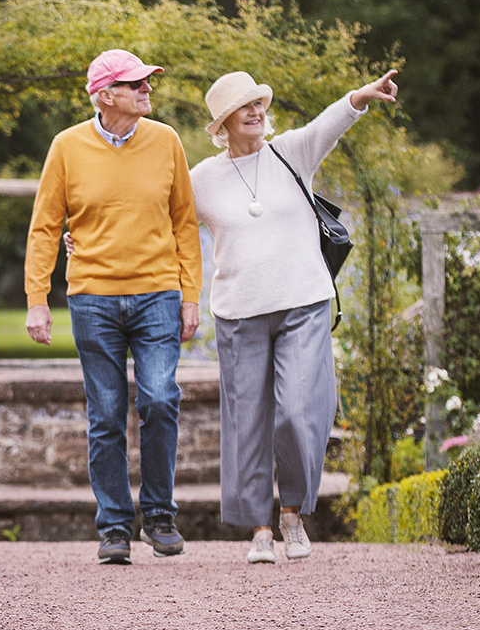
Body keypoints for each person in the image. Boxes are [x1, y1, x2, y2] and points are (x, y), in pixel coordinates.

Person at [191, 68, 399, 563]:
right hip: (239, 312)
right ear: (224, 122)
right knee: (247, 422)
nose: (256, 112)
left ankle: (293, 514)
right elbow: (159, 220)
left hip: (303, 302)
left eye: (259, 104)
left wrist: (360, 97)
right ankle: (260, 529)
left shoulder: (290, 151)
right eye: (245, 107)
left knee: (298, 412)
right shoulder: (200, 178)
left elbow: (331, 122)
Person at [24, 48, 203, 565]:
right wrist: (38, 300)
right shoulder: (67, 147)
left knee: (160, 398)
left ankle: (161, 515)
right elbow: (44, 228)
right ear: (105, 96)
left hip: (157, 294)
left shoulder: (166, 141)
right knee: (105, 413)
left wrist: (190, 295)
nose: (148, 89)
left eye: (148, 81)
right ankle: (115, 529)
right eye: (136, 83)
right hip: (93, 299)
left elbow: (184, 223)